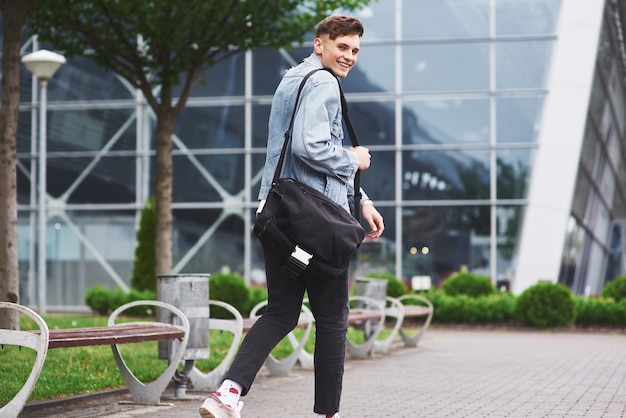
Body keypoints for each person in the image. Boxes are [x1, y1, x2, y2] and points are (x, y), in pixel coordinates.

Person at [199, 15, 384, 418]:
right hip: (320, 226)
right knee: (333, 319)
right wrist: (354, 159)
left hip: (280, 218)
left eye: (354, 50)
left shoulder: (293, 79)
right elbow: (311, 147)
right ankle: (327, 413)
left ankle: (227, 394)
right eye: (342, 47)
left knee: (281, 311)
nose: (349, 56)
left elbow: (305, 155)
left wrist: (363, 199)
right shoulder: (324, 83)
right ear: (320, 44)